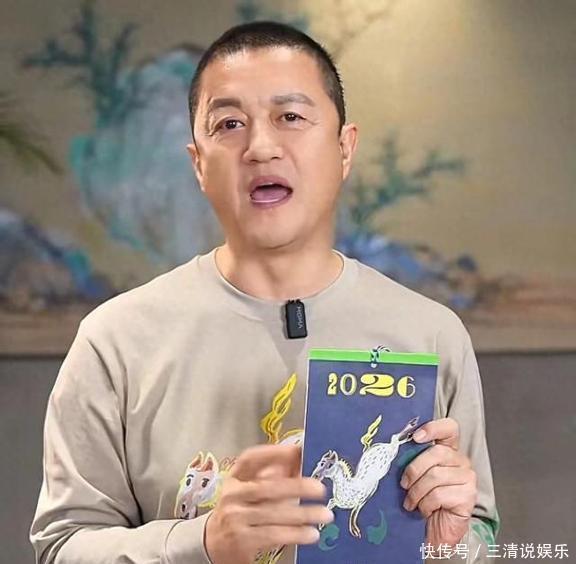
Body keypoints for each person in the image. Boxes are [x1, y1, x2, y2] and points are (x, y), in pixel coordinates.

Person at [30, 21, 499, 564]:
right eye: (229, 124)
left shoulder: (431, 335)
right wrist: (204, 542)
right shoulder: (115, 341)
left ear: (345, 148)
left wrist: (450, 547)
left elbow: (481, 539)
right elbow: (61, 546)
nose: (260, 147)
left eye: (290, 117)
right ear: (198, 163)